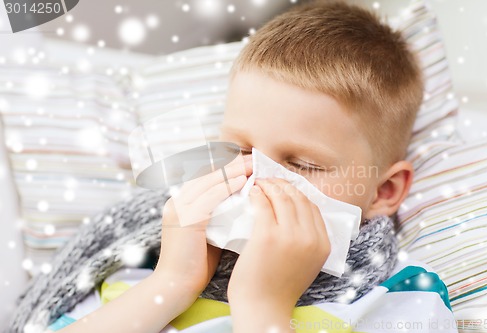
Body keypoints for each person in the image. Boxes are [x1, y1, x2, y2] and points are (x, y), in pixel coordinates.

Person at [40, 1, 455, 332]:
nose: (257, 181)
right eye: (239, 150)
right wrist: (171, 284)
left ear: (384, 191)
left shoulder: (403, 300)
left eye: (302, 164)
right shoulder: (141, 265)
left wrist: (264, 307)